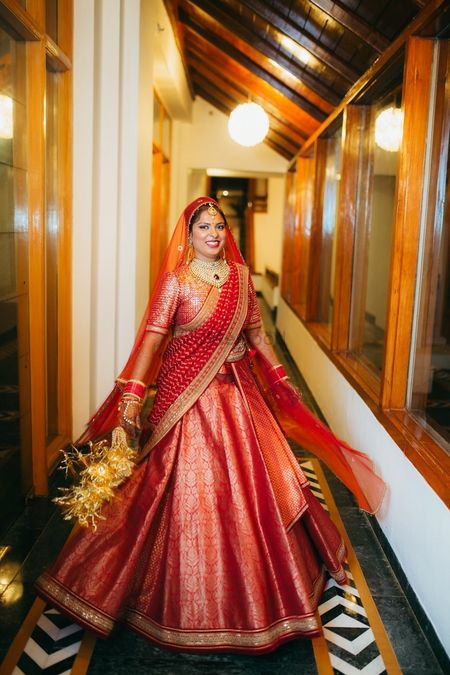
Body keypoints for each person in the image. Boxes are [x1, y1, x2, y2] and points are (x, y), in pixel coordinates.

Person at [35, 196, 385, 654]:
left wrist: (279, 377)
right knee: (162, 489)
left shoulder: (241, 279)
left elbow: (256, 335)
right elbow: (152, 342)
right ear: (190, 234)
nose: (214, 234)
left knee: (258, 487)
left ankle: (267, 594)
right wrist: (132, 398)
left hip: (239, 396)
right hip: (187, 403)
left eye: (219, 226)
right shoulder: (176, 283)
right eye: (204, 227)